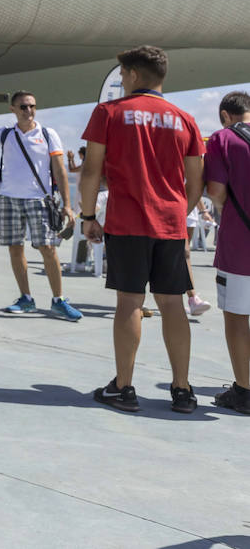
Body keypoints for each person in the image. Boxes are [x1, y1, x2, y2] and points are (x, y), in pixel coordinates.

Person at [80, 46, 203, 413]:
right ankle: (182, 390)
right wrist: (179, 213)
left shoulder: (109, 112)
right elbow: (195, 183)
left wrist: (88, 216)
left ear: (133, 74)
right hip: (170, 224)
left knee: (130, 302)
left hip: (128, 221)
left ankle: (124, 387)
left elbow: (90, 171)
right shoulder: (185, 119)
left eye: (121, 74)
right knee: (173, 305)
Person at [0, 91, 82, 321]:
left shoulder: (48, 135)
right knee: (15, 248)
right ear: (12, 110)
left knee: (48, 249)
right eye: (23, 107)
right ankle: (26, 298)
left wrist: (67, 205)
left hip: (40, 199)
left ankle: (58, 300)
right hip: (9, 199)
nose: (28, 111)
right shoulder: (5, 134)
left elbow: (60, 170)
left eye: (32, 106)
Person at [203, 90, 250, 413]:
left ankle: (244, 391)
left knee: (236, 316)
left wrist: (224, 209)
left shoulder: (222, 139)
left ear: (224, 115)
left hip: (240, 243)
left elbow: (216, 191)